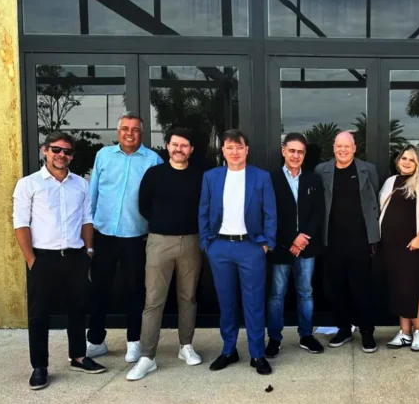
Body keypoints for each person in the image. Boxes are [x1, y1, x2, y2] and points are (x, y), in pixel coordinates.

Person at [13, 132, 107, 390]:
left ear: (72, 156)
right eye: (56, 149)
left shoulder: (80, 184)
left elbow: (87, 219)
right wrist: (31, 259)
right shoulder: (29, 184)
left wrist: (89, 251)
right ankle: (39, 367)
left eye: (67, 151)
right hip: (43, 258)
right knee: (39, 314)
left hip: (75, 257)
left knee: (78, 309)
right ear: (45, 150)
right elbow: (21, 223)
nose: (61, 155)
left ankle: (78, 356)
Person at [127, 128, 205, 381]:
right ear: (168, 146)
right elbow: (144, 205)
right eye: (175, 144)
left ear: (191, 149)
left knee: (188, 297)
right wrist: (163, 224)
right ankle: (147, 356)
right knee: (153, 300)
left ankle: (186, 346)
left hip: (191, 241)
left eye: (184, 145)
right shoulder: (154, 174)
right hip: (159, 241)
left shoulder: (200, 176)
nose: (179, 149)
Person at [86, 111, 163, 363]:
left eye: (135, 129)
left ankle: (134, 341)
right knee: (99, 289)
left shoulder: (153, 160)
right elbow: (93, 195)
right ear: (118, 131)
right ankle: (96, 340)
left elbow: (158, 199)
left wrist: (153, 229)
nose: (130, 133)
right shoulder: (103, 155)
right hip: (104, 234)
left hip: (136, 237)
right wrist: (89, 233)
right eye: (125, 129)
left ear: (142, 133)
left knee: (135, 290)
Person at [199, 130, 277, 375]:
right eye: (230, 147)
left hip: (250, 247)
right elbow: (203, 211)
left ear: (247, 150)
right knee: (227, 302)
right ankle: (228, 350)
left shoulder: (260, 177)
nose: (235, 152)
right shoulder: (211, 177)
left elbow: (270, 213)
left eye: (239, 147)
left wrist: (267, 243)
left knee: (254, 303)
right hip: (220, 247)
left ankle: (257, 354)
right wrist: (207, 243)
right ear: (223, 150)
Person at [315, 131, 381, 353]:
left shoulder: (367, 169)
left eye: (347, 146)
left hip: (360, 240)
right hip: (332, 241)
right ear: (333, 148)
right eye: (339, 146)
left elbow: (374, 200)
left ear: (354, 148)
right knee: (337, 288)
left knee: (362, 288)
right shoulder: (322, 170)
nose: (342, 150)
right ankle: (343, 329)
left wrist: (373, 235)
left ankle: (367, 332)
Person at [266, 133, 325, 358]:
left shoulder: (313, 179)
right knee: (276, 295)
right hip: (281, 247)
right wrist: (291, 239)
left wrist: (303, 239)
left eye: (300, 152)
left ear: (305, 154)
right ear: (283, 151)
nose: (296, 155)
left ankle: (306, 335)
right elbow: (270, 214)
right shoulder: (271, 179)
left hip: (307, 247)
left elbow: (318, 212)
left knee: (306, 292)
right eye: (292, 150)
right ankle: (274, 338)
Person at [381, 145, 419, 352]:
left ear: (418, 163)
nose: (406, 162)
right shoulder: (391, 181)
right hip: (392, 245)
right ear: (398, 161)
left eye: (411, 159)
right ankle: (404, 333)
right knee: (398, 288)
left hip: (414, 246)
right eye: (404, 158)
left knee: (411, 289)